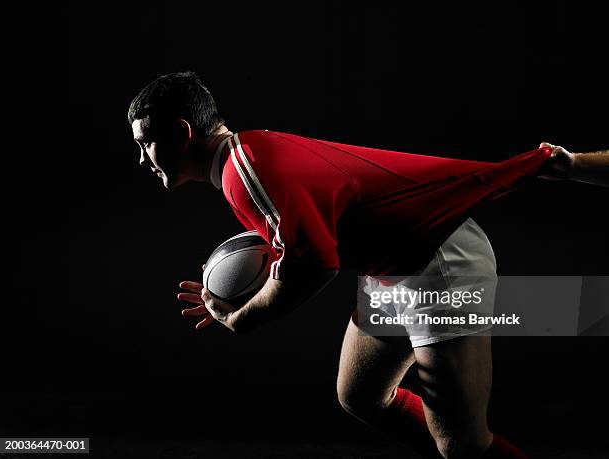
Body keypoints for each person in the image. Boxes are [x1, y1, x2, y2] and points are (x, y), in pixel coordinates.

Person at [128, 71, 608, 458]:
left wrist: (241, 316)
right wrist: (245, 291)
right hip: (390, 264)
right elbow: (299, 244)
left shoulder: (244, 172)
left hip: (435, 261)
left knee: (462, 444)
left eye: (146, 143)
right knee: (360, 395)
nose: (143, 159)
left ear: (181, 133)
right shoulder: (244, 158)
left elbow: (317, 265)